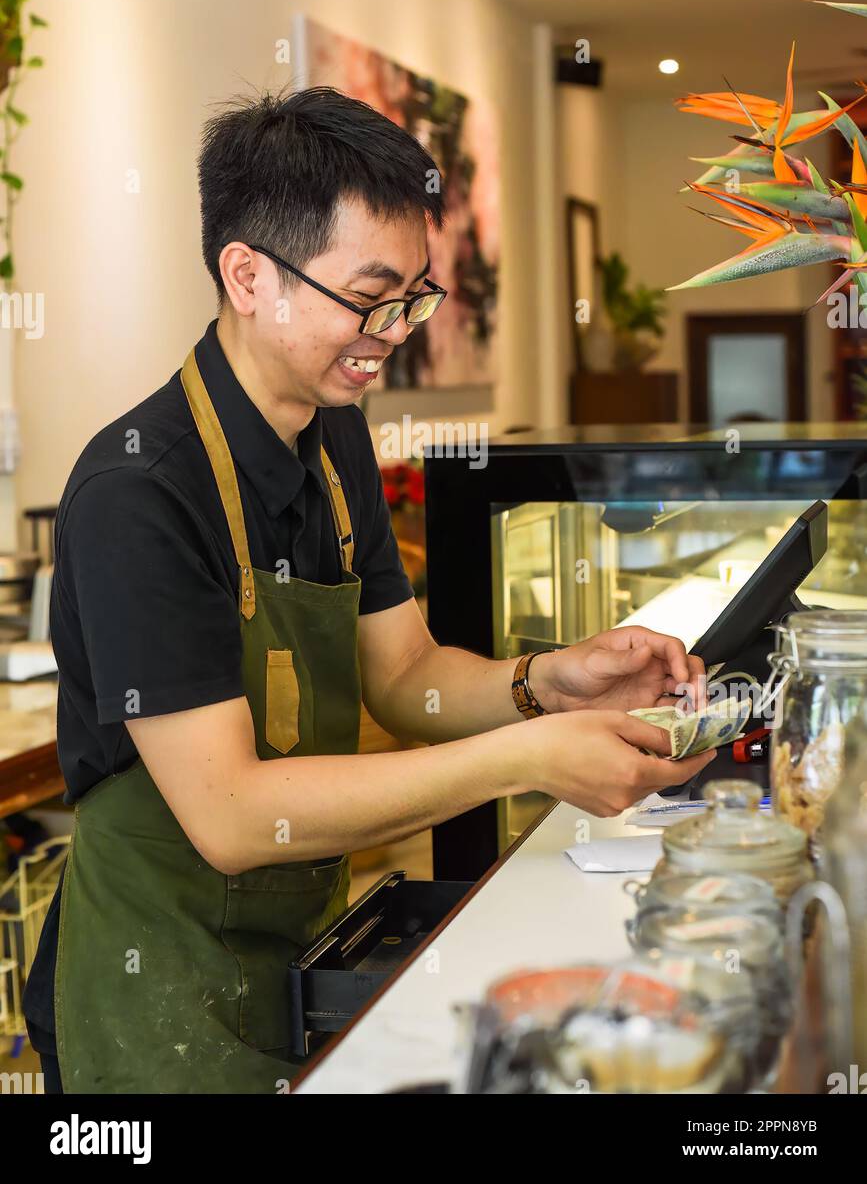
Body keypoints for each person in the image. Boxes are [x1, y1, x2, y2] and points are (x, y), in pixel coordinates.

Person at [24, 86, 712, 1094]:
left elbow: (407, 676)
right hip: (155, 997)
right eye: (370, 295)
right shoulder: (139, 492)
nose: (394, 331)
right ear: (248, 275)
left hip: (302, 953)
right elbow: (233, 813)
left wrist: (551, 682)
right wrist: (524, 757)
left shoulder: (334, 429)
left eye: (413, 297)